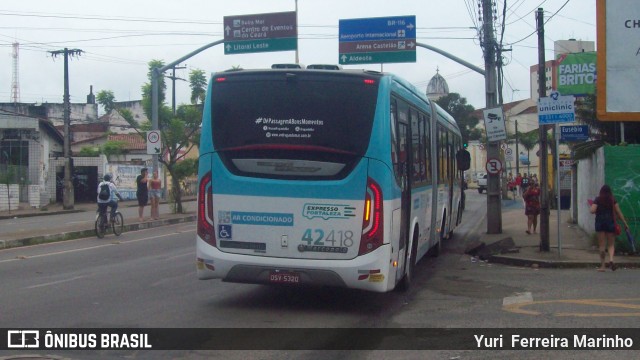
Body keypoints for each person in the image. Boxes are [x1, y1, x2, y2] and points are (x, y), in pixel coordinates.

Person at [589, 185, 629, 272]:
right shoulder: (612, 200)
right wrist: (625, 223)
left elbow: (592, 210)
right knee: (611, 245)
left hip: (600, 223)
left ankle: (603, 266)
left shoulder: (598, 199)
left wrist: (592, 205)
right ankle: (611, 260)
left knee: (602, 245)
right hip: (610, 223)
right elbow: (619, 212)